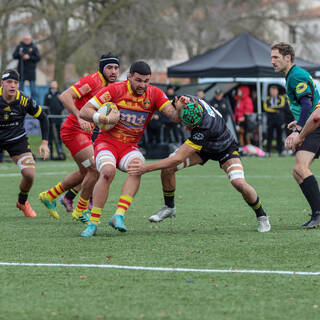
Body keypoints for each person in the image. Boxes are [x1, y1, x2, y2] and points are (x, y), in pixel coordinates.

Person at [127, 96, 270, 233]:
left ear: (196, 124)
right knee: (168, 169)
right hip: (204, 148)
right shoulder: (187, 100)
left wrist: (145, 168)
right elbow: (172, 109)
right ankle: (169, 207)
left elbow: (177, 158)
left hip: (225, 148)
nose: (185, 128)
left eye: (188, 126)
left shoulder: (204, 128)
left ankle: (262, 216)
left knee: (238, 182)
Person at [79, 61, 188, 237]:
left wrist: (180, 109)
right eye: (138, 80)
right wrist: (103, 118)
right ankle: (93, 222)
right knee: (107, 172)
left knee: (137, 167)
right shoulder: (115, 90)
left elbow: (174, 117)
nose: (142, 85)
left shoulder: (154, 94)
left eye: (146, 81)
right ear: (129, 77)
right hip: (106, 143)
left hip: (129, 146)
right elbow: (84, 111)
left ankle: (118, 216)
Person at [39, 53, 120, 221]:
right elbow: (65, 96)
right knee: (95, 168)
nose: (113, 71)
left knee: (86, 172)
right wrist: (78, 116)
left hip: (86, 132)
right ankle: (81, 209)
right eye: (109, 68)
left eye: (116, 68)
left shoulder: (112, 87)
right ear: (102, 69)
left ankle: (49, 196)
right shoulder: (93, 81)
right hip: (73, 130)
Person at [271, 42, 320, 228]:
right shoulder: (293, 75)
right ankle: (317, 213)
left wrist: (298, 130)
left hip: (316, 126)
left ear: (288, 57)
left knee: (300, 169)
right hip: (314, 123)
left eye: (276, 57)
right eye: (272, 57)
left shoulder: (295, 76)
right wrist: (298, 121)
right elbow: (308, 104)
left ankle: (319, 214)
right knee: (298, 171)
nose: (272, 61)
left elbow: (308, 104)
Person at [0, 69, 49, 217]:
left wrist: (45, 142)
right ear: (2, 83)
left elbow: (43, 117)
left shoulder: (24, 100)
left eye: (16, 82)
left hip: (16, 139)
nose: (13, 85)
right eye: (9, 82)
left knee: (29, 174)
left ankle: (22, 201)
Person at [12, 34, 40, 100]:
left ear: (30, 39)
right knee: (20, 90)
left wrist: (29, 57)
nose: (27, 41)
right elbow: (14, 55)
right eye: (25, 39)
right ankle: (20, 103)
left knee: (33, 91)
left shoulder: (34, 47)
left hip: (31, 72)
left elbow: (38, 58)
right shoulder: (19, 46)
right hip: (21, 71)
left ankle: (35, 105)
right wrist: (19, 54)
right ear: (23, 39)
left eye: (28, 39)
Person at [263, 85, 287, 156]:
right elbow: (266, 108)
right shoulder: (267, 99)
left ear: (277, 91)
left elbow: (282, 107)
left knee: (279, 136)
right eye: (271, 91)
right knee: (269, 136)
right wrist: (276, 110)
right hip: (270, 120)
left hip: (279, 120)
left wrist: (272, 108)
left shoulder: (282, 98)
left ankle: (280, 151)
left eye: (274, 91)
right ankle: (268, 151)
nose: (273, 92)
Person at [44, 80, 65, 159]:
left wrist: (59, 109)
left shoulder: (60, 94)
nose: (53, 85)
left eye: (55, 83)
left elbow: (63, 105)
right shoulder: (47, 95)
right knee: (49, 137)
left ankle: (60, 152)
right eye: (52, 83)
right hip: (50, 120)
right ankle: (50, 153)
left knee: (58, 136)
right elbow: (45, 106)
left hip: (57, 119)